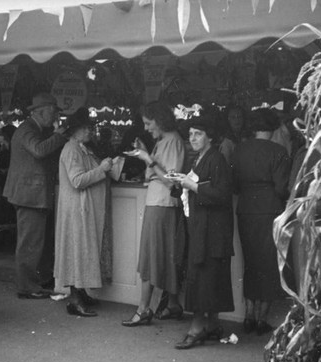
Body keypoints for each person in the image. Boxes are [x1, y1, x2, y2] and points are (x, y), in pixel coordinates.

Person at [173, 112, 235, 349]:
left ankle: (197, 329)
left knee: (203, 277)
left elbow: (222, 195)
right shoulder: (200, 158)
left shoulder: (216, 159)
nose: (193, 138)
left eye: (198, 134)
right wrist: (183, 181)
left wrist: (192, 185)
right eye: (190, 134)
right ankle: (210, 325)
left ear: (210, 137)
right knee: (208, 277)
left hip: (211, 231)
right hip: (203, 229)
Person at [121, 101, 185, 327]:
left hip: (161, 205)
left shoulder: (172, 141)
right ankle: (173, 304)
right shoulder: (167, 140)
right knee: (166, 255)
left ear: (160, 119)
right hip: (161, 204)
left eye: (149, 123)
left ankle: (143, 309)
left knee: (151, 257)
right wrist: (147, 154)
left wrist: (148, 159)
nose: (146, 128)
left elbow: (171, 180)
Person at [232, 108, 292, 335]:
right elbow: (281, 187)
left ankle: (248, 315)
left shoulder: (239, 150)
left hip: (246, 208)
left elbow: (235, 186)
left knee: (251, 262)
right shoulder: (279, 151)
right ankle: (261, 319)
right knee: (268, 263)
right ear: (274, 127)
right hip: (269, 210)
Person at [3, 92, 67, 299]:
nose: (55, 115)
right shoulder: (27, 130)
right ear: (39, 112)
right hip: (29, 196)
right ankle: (27, 287)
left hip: (33, 194)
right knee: (30, 243)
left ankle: (37, 281)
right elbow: (39, 151)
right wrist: (59, 135)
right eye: (52, 111)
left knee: (38, 242)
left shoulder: (34, 129)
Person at [54, 108, 113, 317]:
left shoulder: (80, 148)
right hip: (76, 209)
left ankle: (80, 293)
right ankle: (75, 299)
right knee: (77, 251)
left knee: (80, 250)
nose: (90, 131)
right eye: (86, 128)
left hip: (81, 208)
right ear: (76, 130)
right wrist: (102, 169)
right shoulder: (71, 150)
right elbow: (77, 180)